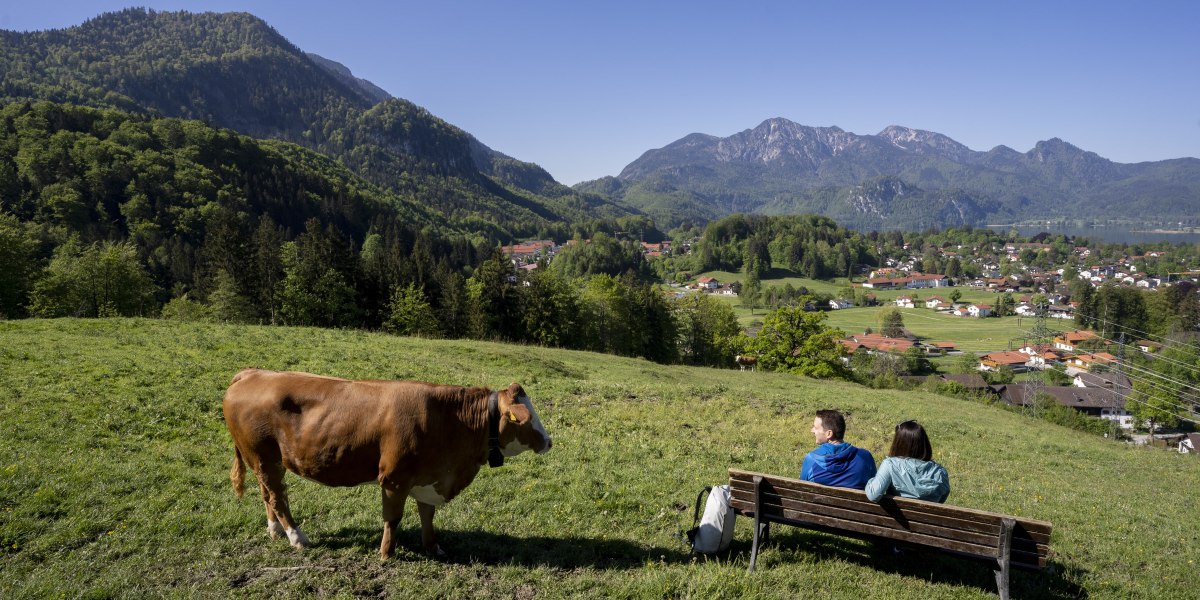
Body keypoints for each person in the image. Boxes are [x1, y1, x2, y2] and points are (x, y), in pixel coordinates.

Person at [865, 420, 950, 503]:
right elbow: (941, 500)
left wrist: (872, 480)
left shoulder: (890, 465)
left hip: (895, 513)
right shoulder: (940, 472)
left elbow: (873, 496)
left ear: (898, 444)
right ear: (924, 444)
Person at [800, 409, 877, 489]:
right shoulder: (865, 457)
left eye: (815, 428)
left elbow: (802, 489)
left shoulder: (811, 460)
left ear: (829, 434)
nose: (812, 430)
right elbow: (874, 489)